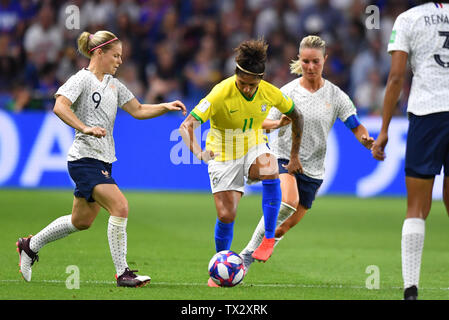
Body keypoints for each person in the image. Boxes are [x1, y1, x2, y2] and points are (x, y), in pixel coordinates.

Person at [16, 30, 186, 288]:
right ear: (99, 53)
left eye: (121, 57)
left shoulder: (115, 85)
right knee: (120, 206)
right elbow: (60, 106)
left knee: (80, 221)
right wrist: (84, 128)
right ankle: (123, 273)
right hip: (84, 158)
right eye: (115, 55)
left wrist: (164, 107)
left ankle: (30, 245)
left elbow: (138, 109)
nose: (119, 61)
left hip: (103, 160)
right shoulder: (82, 79)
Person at [240, 35, 374, 273]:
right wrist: (279, 124)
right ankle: (245, 257)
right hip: (284, 158)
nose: (310, 67)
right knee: (288, 202)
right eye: (306, 61)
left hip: (313, 169)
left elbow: (355, 124)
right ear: (299, 60)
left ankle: (265, 242)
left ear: (325, 60)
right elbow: (262, 123)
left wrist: (364, 139)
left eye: (316, 62)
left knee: (283, 227)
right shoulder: (287, 92)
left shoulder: (335, 95)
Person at [179, 39, 304, 287]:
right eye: (243, 84)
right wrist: (198, 152)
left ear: (260, 79)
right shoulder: (220, 93)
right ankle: (219, 266)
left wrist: (294, 155)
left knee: (270, 167)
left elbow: (296, 115)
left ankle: (268, 239)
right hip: (223, 154)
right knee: (227, 215)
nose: (247, 89)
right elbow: (187, 126)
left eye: (252, 85)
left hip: (253, 145)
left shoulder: (270, 92)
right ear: (236, 75)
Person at [372, 2, 449, 300]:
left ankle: (411, 290)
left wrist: (384, 129)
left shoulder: (408, 19)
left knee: (417, 207)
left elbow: (396, 77)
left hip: (427, 114)